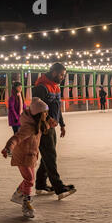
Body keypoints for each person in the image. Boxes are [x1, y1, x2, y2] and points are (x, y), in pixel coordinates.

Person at [32, 63, 76, 199]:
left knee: (48, 156)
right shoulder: (41, 86)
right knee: (50, 157)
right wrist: (48, 119)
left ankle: (40, 185)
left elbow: (57, 107)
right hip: (43, 128)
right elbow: (37, 108)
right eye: (61, 74)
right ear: (54, 72)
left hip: (52, 126)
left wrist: (62, 124)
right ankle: (59, 188)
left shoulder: (55, 87)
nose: (63, 77)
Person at [1, 97, 50, 218]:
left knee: (29, 179)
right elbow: (16, 138)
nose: (47, 114)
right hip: (22, 156)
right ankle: (26, 203)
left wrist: (52, 124)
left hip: (31, 156)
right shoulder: (28, 127)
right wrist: (8, 148)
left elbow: (47, 127)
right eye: (45, 112)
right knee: (30, 179)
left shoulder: (40, 124)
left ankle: (18, 193)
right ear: (38, 114)